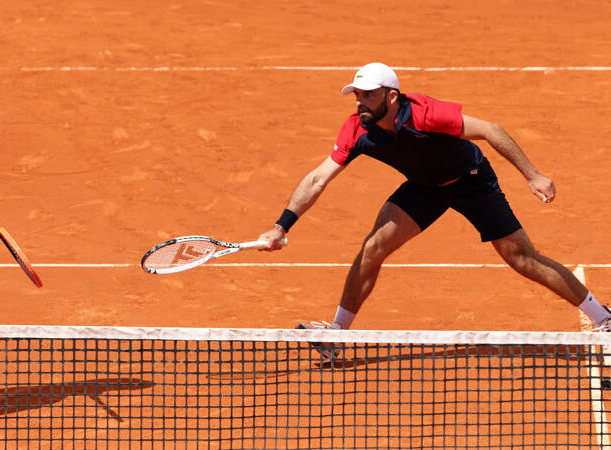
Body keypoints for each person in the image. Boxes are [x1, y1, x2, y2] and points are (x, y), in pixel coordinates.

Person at [257, 62, 610, 359]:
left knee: (522, 258)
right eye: (357, 95)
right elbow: (319, 178)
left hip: (471, 182)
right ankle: (336, 333)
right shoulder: (357, 129)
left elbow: (490, 130)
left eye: (369, 95)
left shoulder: (426, 113)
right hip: (424, 187)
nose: (361, 102)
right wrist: (281, 225)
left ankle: (603, 317)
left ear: (391, 97)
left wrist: (533, 175)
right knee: (373, 247)